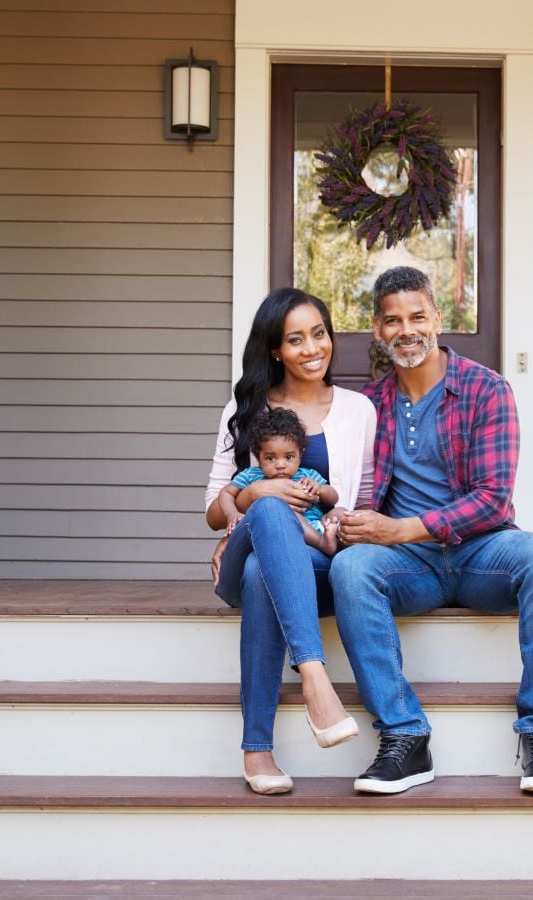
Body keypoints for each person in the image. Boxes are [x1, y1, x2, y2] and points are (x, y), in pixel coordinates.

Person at [332, 266, 533, 796]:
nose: (407, 330)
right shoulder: (368, 406)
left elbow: (493, 499)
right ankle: (405, 736)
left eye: (417, 316)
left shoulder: (486, 389)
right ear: (377, 329)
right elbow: (346, 489)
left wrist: (401, 529)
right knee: (350, 567)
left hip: (479, 552)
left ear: (438, 318)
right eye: (393, 321)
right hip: (410, 566)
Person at [205, 287, 377, 795]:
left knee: (266, 575)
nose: (311, 348)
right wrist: (256, 492)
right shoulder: (246, 411)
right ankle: (316, 680)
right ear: (275, 349)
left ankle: (257, 750)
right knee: (268, 518)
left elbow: (359, 500)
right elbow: (213, 512)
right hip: (244, 550)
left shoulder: (358, 410)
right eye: (295, 339)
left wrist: (334, 518)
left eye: (319, 334)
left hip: (313, 561)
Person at [215, 407, 340, 556]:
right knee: (288, 514)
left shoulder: (307, 475)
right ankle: (322, 543)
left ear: (300, 454)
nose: (280, 465)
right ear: (258, 457)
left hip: (318, 523)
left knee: (341, 512)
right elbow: (226, 492)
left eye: (288, 457)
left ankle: (335, 539)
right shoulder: (252, 476)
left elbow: (334, 497)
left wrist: (319, 488)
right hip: (286, 533)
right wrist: (231, 513)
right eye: (270, 458)